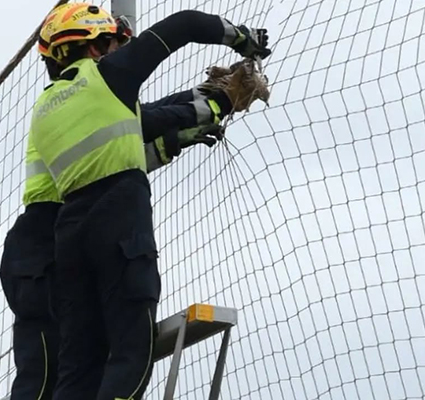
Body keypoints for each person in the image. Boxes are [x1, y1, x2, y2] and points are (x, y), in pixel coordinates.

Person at [30, 3, 270, 399]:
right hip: (119, 215)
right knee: (131, 352)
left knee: (78, 367)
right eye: (109, 44)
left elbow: (137, 125)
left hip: (69, 231)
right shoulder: (108, 77)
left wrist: (192, 120)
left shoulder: (44, 110)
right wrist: (241, 38)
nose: (114, 52)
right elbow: (185, 24)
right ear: (92, 47)